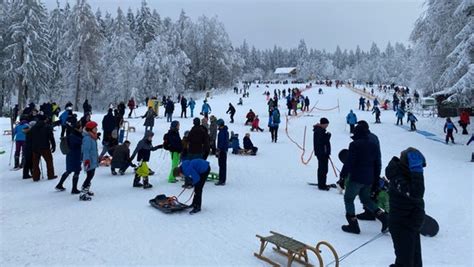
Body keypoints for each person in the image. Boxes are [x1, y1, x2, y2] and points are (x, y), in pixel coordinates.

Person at [339, 124, 388, 234]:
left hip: (356, 177)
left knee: (349, 198)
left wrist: (342, 176)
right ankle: (384, 218)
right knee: (366, 199)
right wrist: (375, 179)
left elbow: (349, 162)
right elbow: (377, 163)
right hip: (369, 178)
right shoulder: (373, 145)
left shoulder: (354, 145)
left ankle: (353, 225)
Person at [385, 147, 426, 267]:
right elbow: (416, 193)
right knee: (405, 263)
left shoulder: (407, 174)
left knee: (416, 261)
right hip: (402, 225)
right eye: (418, 167)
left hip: (412, 225)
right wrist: (417, 172)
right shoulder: (397, 176)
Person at [55, 122, 83, 194]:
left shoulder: (72, 135)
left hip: (70, 156)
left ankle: (59, 184)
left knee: (69, 170)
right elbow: (80, 143)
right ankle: (74, 189)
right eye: (80, 128)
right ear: (77, 129)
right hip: (75, 156)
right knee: (76, 171)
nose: (82, 129)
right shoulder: (75, 136)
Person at [31, 115, 57, 181]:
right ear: (45, 120)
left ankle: (35, 177)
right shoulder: (47, 127)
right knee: (49, 161)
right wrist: (53, 145)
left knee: (35, 163)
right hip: (45, 147)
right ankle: (50, 175)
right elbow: (51, 137)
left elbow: (30, 137)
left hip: (35, 147)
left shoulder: (33, 128)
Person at [79, 121, 99, 201]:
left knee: (91, 175)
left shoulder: (92, 136)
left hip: (93, 159)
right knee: (89, 176)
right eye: (95, 128)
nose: (96, 129)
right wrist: (87, 160)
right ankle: (83, 193)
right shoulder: (87, 138)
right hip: (89, 160)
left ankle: (86, 190)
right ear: (90, 129)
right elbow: (86, 150)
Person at [313, 118, 331, 191]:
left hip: (323, 152)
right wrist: (328, 136)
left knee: (324, 169)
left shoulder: (320, 130)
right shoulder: (319, 131)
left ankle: (322, 183)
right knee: (323, 169)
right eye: (326, 125)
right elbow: (322, 142)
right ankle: (321, 184)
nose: (327, 126)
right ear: (323, 124)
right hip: (322, 153)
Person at [216, 119, 228, 186]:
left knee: (222, 165)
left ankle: (221, 180)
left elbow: (221, 142)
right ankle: (222, 179)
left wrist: (218, 150)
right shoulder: (225, 131)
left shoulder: (222, 132)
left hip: (222, 151)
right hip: (224, 150)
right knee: (223, 165)